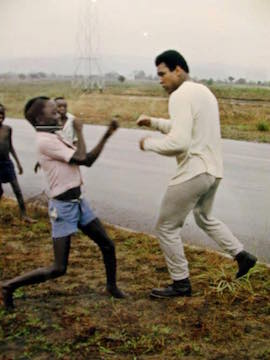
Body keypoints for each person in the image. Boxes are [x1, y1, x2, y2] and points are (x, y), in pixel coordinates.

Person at [137, 50, 257, 299]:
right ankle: (242, 256)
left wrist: (148, 143)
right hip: (213, 171)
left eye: (163, 74)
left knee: (166, 227)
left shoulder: (180, 95)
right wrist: (154, 122)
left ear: (177, 70)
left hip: (194, 170)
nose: (160, 80)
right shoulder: (203, 92)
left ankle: (181, 284)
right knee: (203, 217)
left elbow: (179, 143)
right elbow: (185, 128)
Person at [1, 96, 125, 310]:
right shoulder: (45, 141)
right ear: (40, 118)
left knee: (107, 245)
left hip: (78, 203)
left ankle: (112, 287)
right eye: (54, 111)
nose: (60, 114)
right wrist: (81, 131)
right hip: (64, 208)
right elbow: (84, 158)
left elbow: (87, 159)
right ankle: (7, 286)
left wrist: (107, 134)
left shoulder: (54, 134)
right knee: (59, 268)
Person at [0, 103, 33, 222]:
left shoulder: (7, 129)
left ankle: (24, 215)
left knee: (17, 190)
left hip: (7, 163)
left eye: (2, 115)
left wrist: (18, 163)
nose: (0, 117)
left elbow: (11, 147)